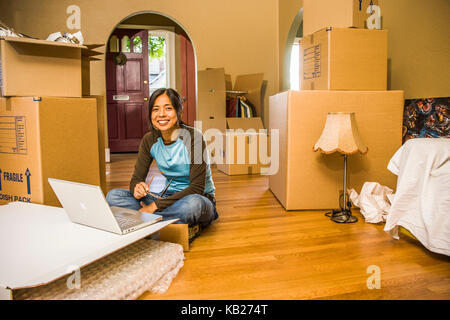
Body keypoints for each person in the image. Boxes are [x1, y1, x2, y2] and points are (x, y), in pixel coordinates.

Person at [106, 88, 218, 241]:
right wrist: (136, 187)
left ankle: (146, 225)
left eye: (168, 108)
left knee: (192, 205)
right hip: (166, 199)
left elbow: (196, 188)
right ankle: (172, 227)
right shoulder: (149, 140)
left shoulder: (194, 138)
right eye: (156, 109)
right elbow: (136, 179)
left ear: (179, 112)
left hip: (198, 199)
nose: (161, 114)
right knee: (114, 196)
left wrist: (153, 207)